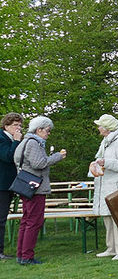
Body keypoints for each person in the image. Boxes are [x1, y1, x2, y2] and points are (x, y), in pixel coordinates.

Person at [12, 116, 66, 265]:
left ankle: (21, 254)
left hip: (25, 186)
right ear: (39, 130)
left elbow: (17, 159)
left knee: (26, 221)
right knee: (34, 222)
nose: (49, 133)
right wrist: (57, 157)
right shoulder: (34, 143)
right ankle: (27, 256)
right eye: (47, 130)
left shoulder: (24, 142)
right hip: (35, 188)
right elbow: (39, 163)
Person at [91, 114, 118, 260]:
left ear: (107, 127)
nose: (98, 128)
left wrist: (105, 162)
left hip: (117, 185)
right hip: (105, 183)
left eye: (100, 125)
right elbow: (101, 159)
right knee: (107, 217)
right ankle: (111, 248)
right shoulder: (106, 141)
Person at [0, 113, 25, 260]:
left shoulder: (9, 139)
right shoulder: (2, 138)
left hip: (9, 184)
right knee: (1, 219)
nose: (18, 128)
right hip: (2, 185)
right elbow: (8, 157)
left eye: (20, 125)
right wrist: (16, 142)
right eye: (15, 125)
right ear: (6, 126)